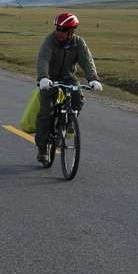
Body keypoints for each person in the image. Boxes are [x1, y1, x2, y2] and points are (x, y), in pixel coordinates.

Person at [35, 12, 103, 163]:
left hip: (68, 76)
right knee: (46, 110)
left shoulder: (79, 43)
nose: (59, 32)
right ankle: (42, 147)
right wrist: (43, 78)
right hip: (50, 78)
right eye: (58, 29)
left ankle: (70, 120)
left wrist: (93, 79)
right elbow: (43, 59)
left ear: (72, 31)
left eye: (63, 30)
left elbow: (87, 61)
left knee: (78, 97)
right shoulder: (50, 41)